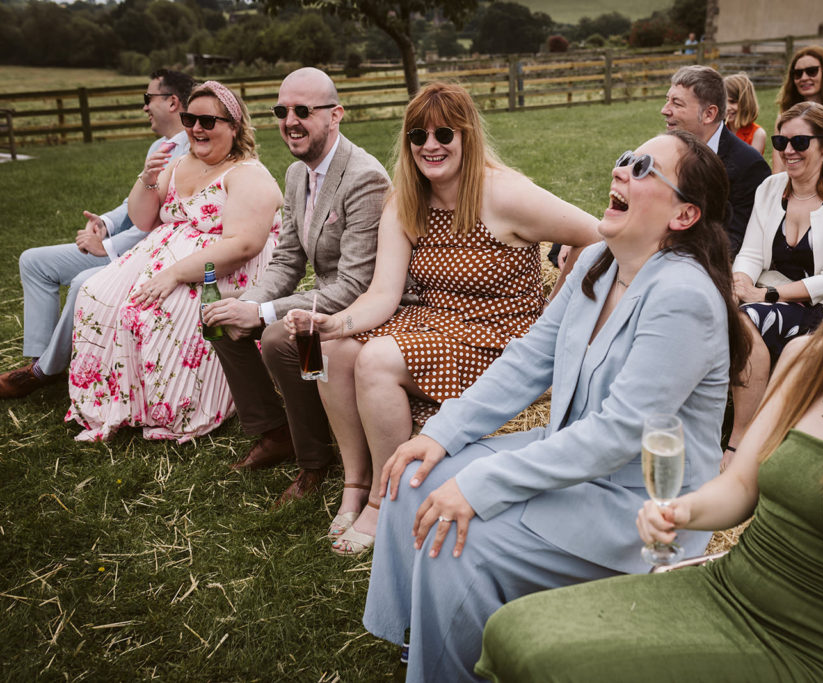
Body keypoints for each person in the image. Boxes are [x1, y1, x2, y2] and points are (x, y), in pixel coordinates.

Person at [476, 203, 823, 683]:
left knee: (558, 665)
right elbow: (743, 484)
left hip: (814, 651)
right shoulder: (805, 358)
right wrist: (681, 511)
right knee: (513, 629)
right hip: (729, 589)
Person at [358, 129, 751, 682]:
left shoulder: (684, 297)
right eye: (623, 158)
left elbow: (618, 434)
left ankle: (455, 669)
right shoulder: (598, 260)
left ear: (683, 216)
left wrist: (483, 484)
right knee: (414, 473)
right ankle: (419, 635)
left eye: (642, 168)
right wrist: (440, 433)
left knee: (460, 537)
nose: (621, 170)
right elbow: (528, 361)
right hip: (568, 458)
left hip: (635, 507)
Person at [285, 81, 599, 553]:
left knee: (377, 362)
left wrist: (553, 313)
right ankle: (355, 482)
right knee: (326, 350)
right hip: (434, 321)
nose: (430, 146)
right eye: (418, 136)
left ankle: (383, 503)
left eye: (444, 134)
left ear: (467, 136)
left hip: (497, 333)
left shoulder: (504, 194)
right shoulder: (407, 199)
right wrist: (337, 323)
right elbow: (384, 294)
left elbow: (598, 237)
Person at [201, 68, 391, 506]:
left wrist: (265, 314)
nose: (290, 121)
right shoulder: (295, 174)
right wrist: (245, 304)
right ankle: (274, 431)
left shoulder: (364, 178)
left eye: (303, 110)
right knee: (218, 314)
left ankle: (316, 460)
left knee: (277, 337)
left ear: (335, 114)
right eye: (282, 110)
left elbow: (355, 285)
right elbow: (288, 260)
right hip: (326, 297)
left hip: (364, 309)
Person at [65, 81, 283, 442]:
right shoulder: (180, 163)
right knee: (93, 293)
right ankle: (116, 402)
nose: (197, 128)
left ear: (234, 125)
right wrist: (147, 179)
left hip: (217, 271)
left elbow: (243, 245)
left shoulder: (248, 174)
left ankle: (170, 408)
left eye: (208, 121)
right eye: (190, 118)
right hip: (158, 256)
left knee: (151, 313)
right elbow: (143, 220)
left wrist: (175, 275)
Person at [0, 69, 192, 399]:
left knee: (83, 282)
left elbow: (165, 222)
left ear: (172, 102)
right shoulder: (160, 146)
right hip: (122, 241)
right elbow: (135, 200)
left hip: (150, 252)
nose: (144, 107)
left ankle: (40, 372)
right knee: (34, 262)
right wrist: (105, 222)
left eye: (149, 98)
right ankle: (40, 358)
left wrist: (107, 246)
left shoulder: (192, 150)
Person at [727, 102, 823, 457]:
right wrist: (738, 285)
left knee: (748, 320)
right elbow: (750, 254)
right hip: (765, 292)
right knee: (717, 306)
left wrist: (766, 294)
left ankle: (741, 439)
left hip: (820, 305)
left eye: (800, 142)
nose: (788, 151)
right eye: (780, 141)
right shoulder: (771, 188)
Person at [662, 65, 771, 258]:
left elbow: (735, 242)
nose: (665, 110)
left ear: (709, 114)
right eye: (667, 101)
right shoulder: (665, 151)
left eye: (676, 104)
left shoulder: (748, 165)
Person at [725, 73, 766, 155]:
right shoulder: (719, 130)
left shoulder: (757, 134)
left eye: (732, 102)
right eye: (723, 102)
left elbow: (750, 165)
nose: (727, 108)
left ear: (745, 103)